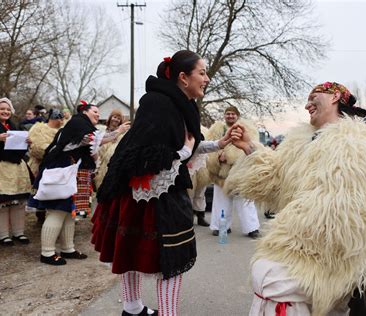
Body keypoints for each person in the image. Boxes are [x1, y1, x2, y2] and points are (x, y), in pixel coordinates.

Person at [225, 82, 366, 315]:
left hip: (331, 255)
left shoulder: (357, 144)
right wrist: (250, 148)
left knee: (271, 277)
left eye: (313, 97)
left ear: (335, 96)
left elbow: (344, 215)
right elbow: (276, 182)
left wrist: (289, 237)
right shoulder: (303, 142)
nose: (307, 105)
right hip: (309, 247)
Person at [91, 50, 234, 316]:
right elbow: (146, 157)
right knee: (164, 257)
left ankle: (133, 309)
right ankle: (145, 311)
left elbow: (183, 145)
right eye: (202, 72)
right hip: (144, 193)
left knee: (136, 254)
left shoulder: (182, 104)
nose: (207, 78)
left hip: (157, 190)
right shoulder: (159, 103)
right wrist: (181, 153)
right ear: (183, 77)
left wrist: (217, 144)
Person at [28, 101, 103, 265]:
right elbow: (89, 140)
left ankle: (68, 248)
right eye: (95, 111)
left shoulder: (79, 127)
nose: (98, 114)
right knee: (58, 211)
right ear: (84, 112)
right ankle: (47, 253)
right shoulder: (78, 124)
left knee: (70, 212)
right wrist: (117, 132)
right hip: (61, 174)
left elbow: (91, 142)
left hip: (71, 173)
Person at [206, 106, 260, 239]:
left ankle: (252, 228)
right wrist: (218, 158)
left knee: (245, 201)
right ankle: (221, 227)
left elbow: (251, 147)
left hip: (240, 172)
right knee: (220, 202)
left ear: (237, 116)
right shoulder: (216, 129)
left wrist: (229, 156)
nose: (230, 116)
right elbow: (210, 147)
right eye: (227, 114)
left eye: (232, 114)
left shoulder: (247, 129)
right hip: (221, 174)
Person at [0, 98, 32, 246]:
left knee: (18, 203)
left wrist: (26, 143)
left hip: (16, 167)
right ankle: (3, 235)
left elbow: (18, 148)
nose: (6, 111)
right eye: (2, 109)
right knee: (2, 203)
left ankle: (19, 233)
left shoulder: (13, 126)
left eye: (8, 109)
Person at [27, 109, 65, 224]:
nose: (62, 121)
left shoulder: (63, 131)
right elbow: (36, 147)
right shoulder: (38, 128)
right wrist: (54, 152)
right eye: (61, 118)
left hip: (58, 166)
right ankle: (41, 216)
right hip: (40, 165)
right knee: (40, 191)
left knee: (55, 193)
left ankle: (55, 217)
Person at [93, 109, 130, 190]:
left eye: (118, 118)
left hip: (110, 167)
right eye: (114, 117)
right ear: (110, 118)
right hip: (97, 164)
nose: (116, 120)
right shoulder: (100, 130)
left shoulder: (122, 135)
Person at [187, 125, 210, 226]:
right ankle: (188, 217)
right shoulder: (184, 128)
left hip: (201, 165)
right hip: (189, 166)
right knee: (189, 193)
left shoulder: (204, 130)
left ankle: (201, 216)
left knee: (201, 193)